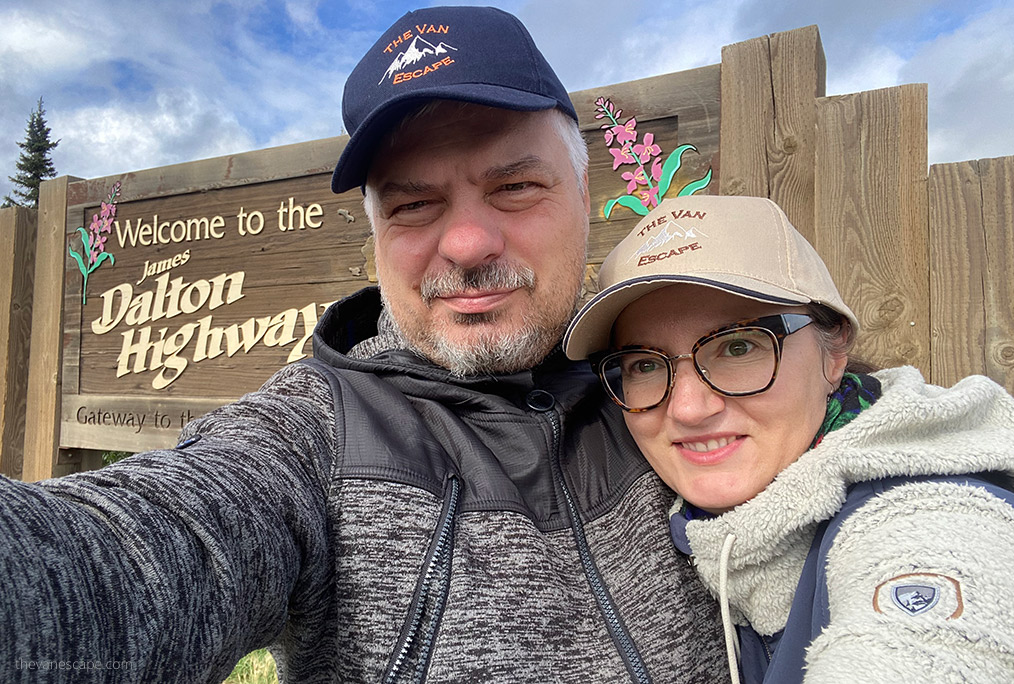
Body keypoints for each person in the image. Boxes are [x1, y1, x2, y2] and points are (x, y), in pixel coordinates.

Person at [0, 7, 730, 683]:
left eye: (513, 187)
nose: (468, 242)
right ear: (377, 236)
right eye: (414, 204)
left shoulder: (696, 394)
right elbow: (150, 543)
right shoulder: (312, 433)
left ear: (580, 193)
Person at [562, 194, 1014, 683]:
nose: (689, 408)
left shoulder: (934, 515)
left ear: (834, 349)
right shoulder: (688, 525)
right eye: (645, 365)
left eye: (738, 346)